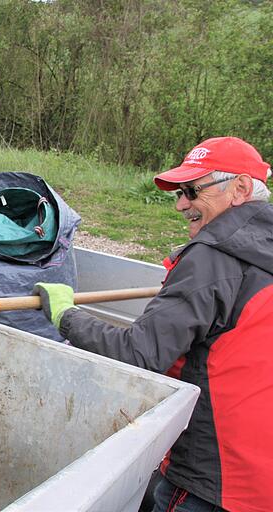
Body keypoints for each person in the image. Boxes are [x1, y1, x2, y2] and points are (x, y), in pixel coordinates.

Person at [34, 136, 273, 512]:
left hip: (213, 478)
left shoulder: (213, 259)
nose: (181, 204)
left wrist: (66, 315)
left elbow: (137, 352)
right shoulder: (260, 250)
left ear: (240, 188)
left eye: (192, 191)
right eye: (180, 192)